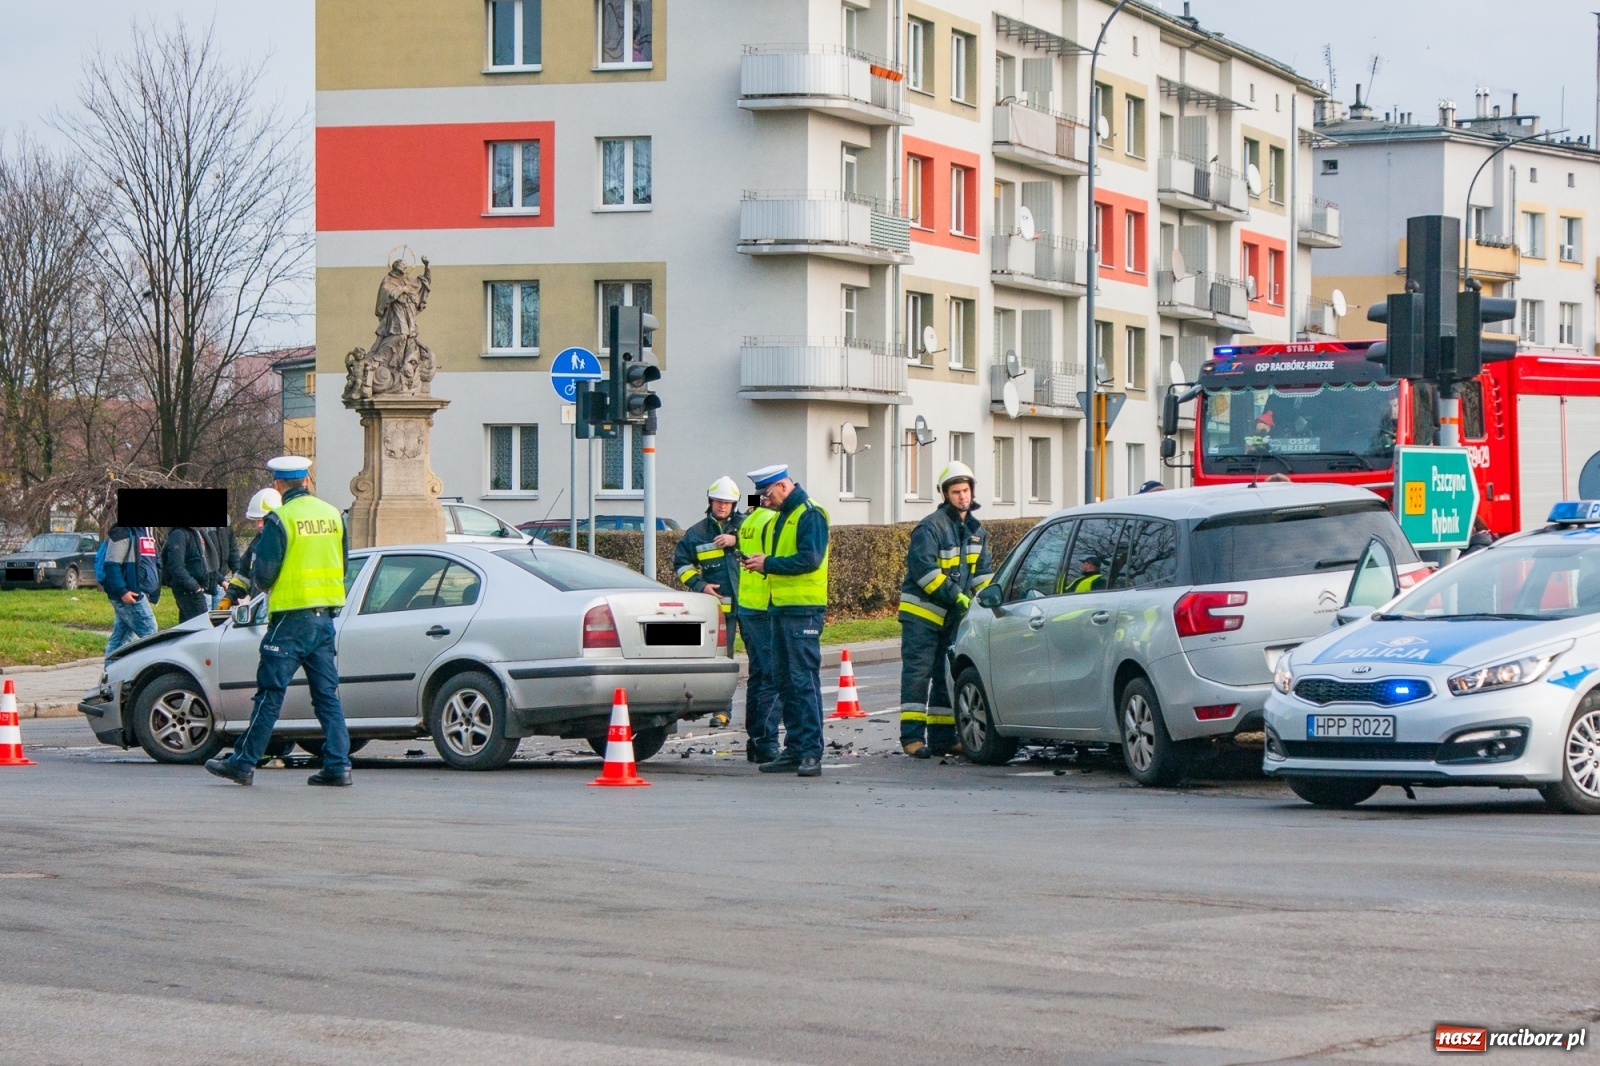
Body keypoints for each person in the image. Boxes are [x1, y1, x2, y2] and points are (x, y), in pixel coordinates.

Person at [205, 456, 353, 788]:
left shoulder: (280, 520)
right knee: (327, 695)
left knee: (270, 693)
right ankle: (338, 765)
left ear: (278, 485)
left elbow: (265, 575)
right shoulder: (333, 515)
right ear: (306, 481)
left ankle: (242, 763)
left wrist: (261, 585)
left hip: (290, 621)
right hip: (324, 620)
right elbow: (342, 566)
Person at [897, 461, 993, 759]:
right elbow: (925, 573)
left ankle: (941, 738)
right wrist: (958, 597)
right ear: (945, 494)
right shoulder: (930, 527)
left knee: (945, 676)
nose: (963, 497)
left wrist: (989, 599)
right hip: (922, 617)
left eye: (965, 490)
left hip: (952, 617)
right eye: (956, 492)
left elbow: (982, 575)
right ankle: (911, 738)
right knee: (918, 674)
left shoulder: (977, 530)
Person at [742, 465, 829, 778]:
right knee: (785, 680)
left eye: (767, 494)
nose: (766, 500)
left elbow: (810, 559)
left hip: (803, 610)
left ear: (782, 486)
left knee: (803, 680)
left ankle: (810, 752)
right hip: (780, 609)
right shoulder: (783, 516)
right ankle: (794, 749)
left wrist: (769, 564)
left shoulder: (810, 514)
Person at [672, 477, 745, 729]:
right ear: (710, 502)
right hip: (722, 611)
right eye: (718, 501)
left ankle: (767, 709)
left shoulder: (748, 526)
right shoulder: (697, 533)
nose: (722, 506)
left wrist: (738, 541)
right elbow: (681, 564)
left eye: (727, 502)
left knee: (763, 659)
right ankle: (722, 711)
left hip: (753, 607)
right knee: (724, 662)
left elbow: (768, 543)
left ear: (735, 504)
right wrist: (700, 585)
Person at [735, 493, 782, 762]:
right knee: (772, 677)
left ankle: (756, 741)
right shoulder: (774, 521)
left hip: (749, 605)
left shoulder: (750, 521)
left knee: (758, 676)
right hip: (766, 606)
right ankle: (766, 741)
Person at [101, 521, 162, 659]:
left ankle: (112, 674)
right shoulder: (122, 531)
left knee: (121, 638)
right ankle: (146, 671)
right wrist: (122, 591)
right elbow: (111, 565)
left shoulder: (146, 531)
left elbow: (153, 561)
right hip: (130, 595)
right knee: (150, 632)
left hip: (140, 593)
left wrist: (152, 591)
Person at [217, 488, 283, 609]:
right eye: (257, 520)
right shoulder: (257, 543)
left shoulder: (283, 543)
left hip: (276, 610)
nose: (259, 524)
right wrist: (229, 597)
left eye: (263, 519)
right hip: (259, 610)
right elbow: (243, 575)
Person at [163, 524, 218, 622]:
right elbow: (176, 567)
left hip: (195, 588)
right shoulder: (179, 534)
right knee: (201, 626)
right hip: (187, 591)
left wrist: (221, 580)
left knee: (188, 628)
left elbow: (204, 563)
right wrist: (195, 587)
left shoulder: (197, 532)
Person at [204, 522, 241, 608]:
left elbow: (233, 550)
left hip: (220, 582)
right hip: (205, 582)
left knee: (220, 617)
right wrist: (221, 580)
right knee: (204, 616)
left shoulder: (227, 524)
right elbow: (204, 559)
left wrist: (237, 572)